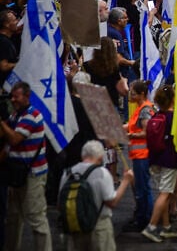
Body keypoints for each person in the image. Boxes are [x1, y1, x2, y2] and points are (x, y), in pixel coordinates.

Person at [0, 82, 52, 251]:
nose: (13, 100)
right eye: (12, 96)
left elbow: (14, 139)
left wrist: (1, 123)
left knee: (36, 218)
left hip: (33, 174)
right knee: (13, 218)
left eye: (17, 96)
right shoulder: (16, 115)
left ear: (27, 96)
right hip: (17, 173)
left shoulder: (32, 116)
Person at [60, 140, 134, 251]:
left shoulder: (68, 173)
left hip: (75, 225)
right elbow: (112, 202)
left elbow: (60, 202)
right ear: (100, 157)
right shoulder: (102, 173)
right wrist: (125, 181)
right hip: (98, 226)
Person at [141, 85, 177, 243]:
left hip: (154, 158)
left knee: (162, 193)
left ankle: (166, 226)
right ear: (173, 99)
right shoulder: (174, 118)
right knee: (166, 193)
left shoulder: (156, 115)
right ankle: (152, 227)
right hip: (170, 160)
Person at [124, 80, 155, 231]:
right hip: (138, 154)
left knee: (143, 189)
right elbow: (132, 126)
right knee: (140, 187)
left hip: (143, 155)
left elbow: (146, 132)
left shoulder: (145, 110)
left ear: (142, 94)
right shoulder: (140, 109)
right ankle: (142, 216)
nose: (130, 95)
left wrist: (130, 135)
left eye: (133, 93)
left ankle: (144, 219)